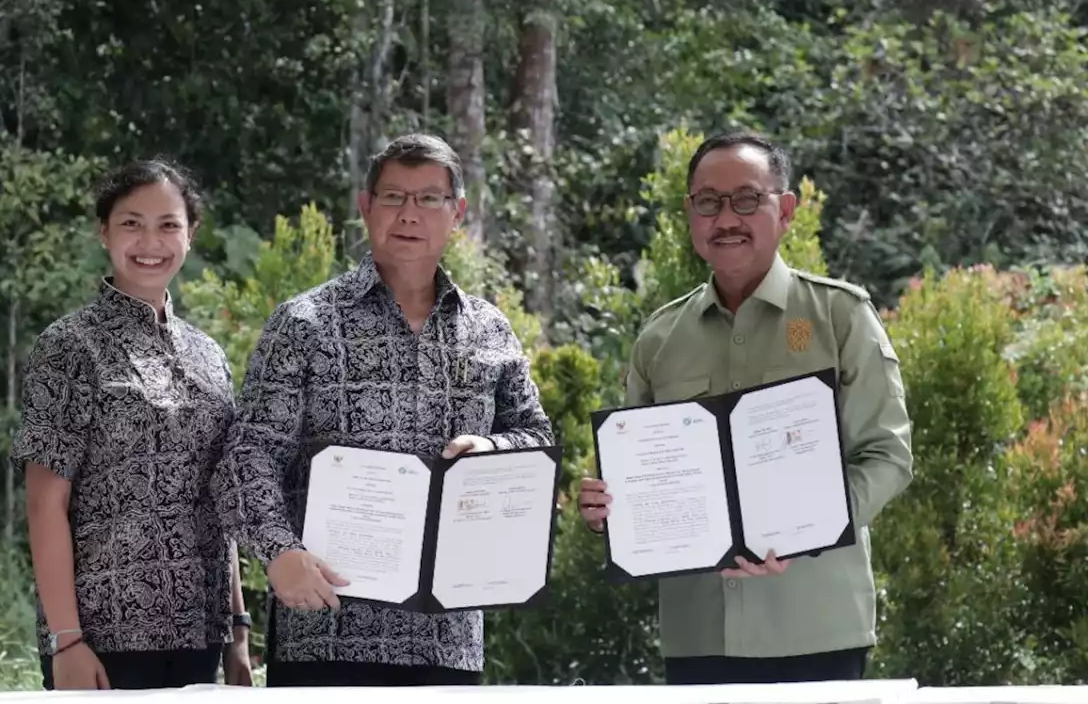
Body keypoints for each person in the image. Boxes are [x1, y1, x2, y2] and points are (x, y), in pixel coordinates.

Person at [212, 133, 554, 687]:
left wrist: (490, 447)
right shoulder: (305, 324)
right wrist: (278, 554)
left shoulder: (489, 329)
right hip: (323, 632)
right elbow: (246, 457)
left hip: (446, 639)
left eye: (429, 199)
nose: (409, 215)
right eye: (394, 197)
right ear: (366, 207)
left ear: (457, 212)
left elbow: (536, 439)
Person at [578, 131, 913, 685]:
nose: (725, 218)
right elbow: (640, 472)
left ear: (784, 211)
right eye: (708, 202)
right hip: (698, 633)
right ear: (690, 214)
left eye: (746, 199)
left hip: (816, 627)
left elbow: (887, 455)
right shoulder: (660, 337)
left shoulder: (839, 317)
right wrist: (608, 509)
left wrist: (810, 532)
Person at [12, 159, 254, 690]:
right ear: (104, 232)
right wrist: (67, 640)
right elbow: (43, 503)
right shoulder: (69, 346)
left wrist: (237, 630)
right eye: (131, 223)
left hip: (200, 634)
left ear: (190, 234)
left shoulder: (208, 355)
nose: (151, 241)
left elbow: (222, 497)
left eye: (168, 224)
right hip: (104, 637)